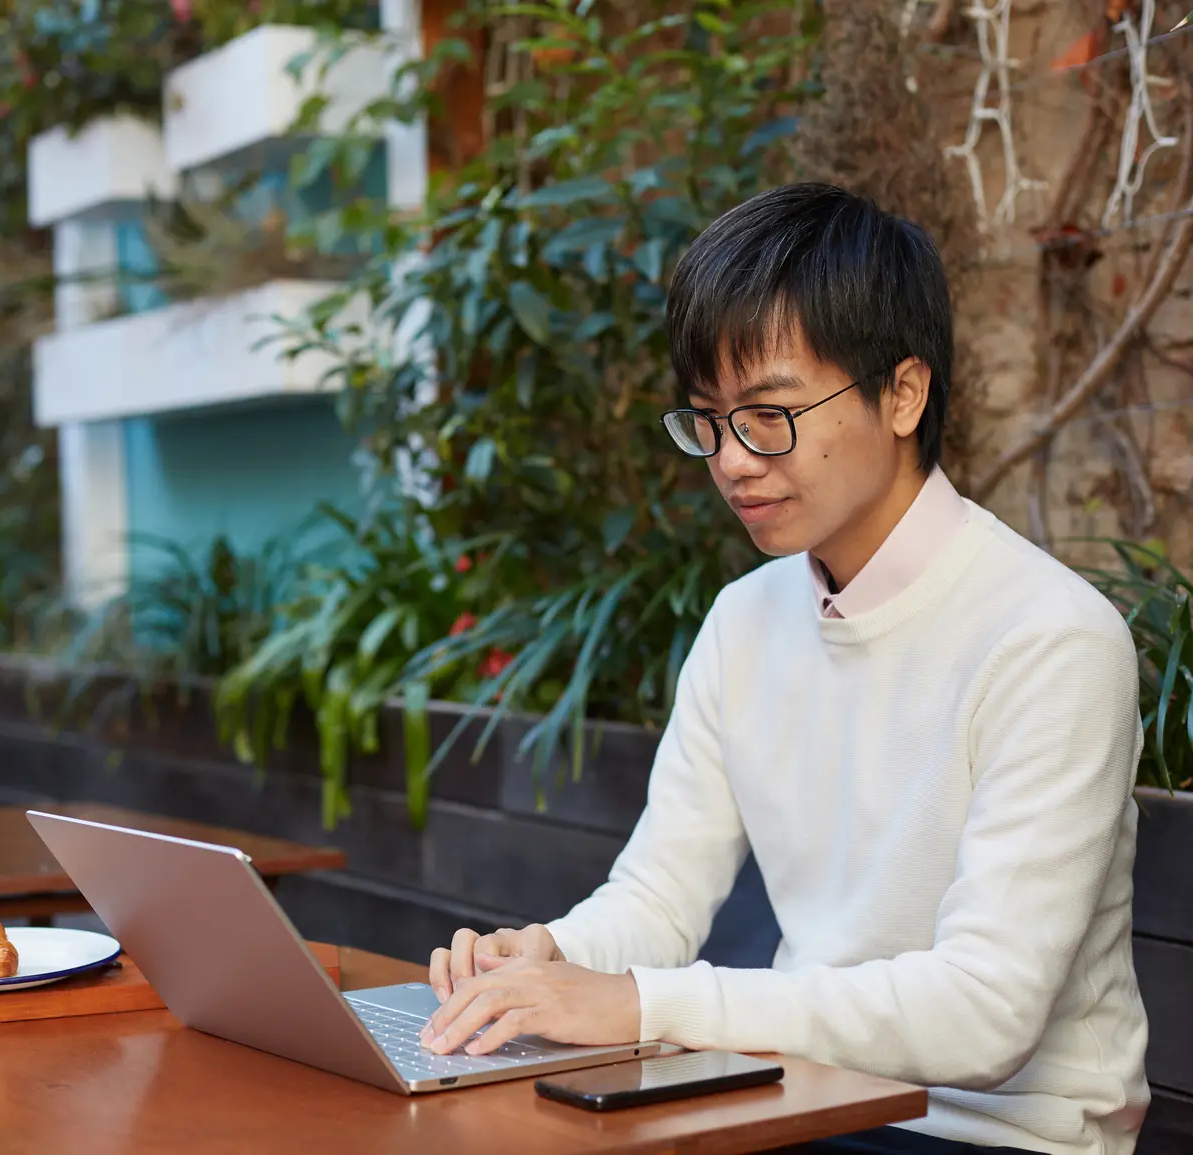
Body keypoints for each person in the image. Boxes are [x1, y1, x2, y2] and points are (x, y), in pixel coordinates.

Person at [420, 183, 1149, 1155]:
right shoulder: (743, 621)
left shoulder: (1049, 639)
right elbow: (657, 898)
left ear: (902, 392)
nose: (730, 462)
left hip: (993, 1136)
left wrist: (637, 1005)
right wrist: (550, 957)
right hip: (798, 1105)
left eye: (767, 415)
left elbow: (985, 1013)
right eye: (707, 421)